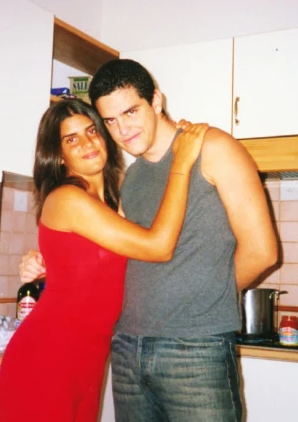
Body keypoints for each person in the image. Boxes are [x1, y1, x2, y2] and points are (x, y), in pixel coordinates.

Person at [20, 59, 279, 421]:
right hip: (125, 349)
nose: (122, 129)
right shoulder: (131, 179)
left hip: (193, 348)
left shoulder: (214, 147)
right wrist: (47, 259)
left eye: (131, 111)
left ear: (156, 101)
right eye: (110, 121)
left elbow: (263, 252)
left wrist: (199, 301)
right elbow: (106, 252)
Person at [0, 98, 209, 422]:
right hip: (46, 361)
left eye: (92, 130)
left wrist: (169, 139)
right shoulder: (68, 198)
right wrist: (182, 159)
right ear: (59, 155)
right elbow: (157, 246)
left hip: (89, 365)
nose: (88, 143)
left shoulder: (112, 202)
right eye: (72, 139)